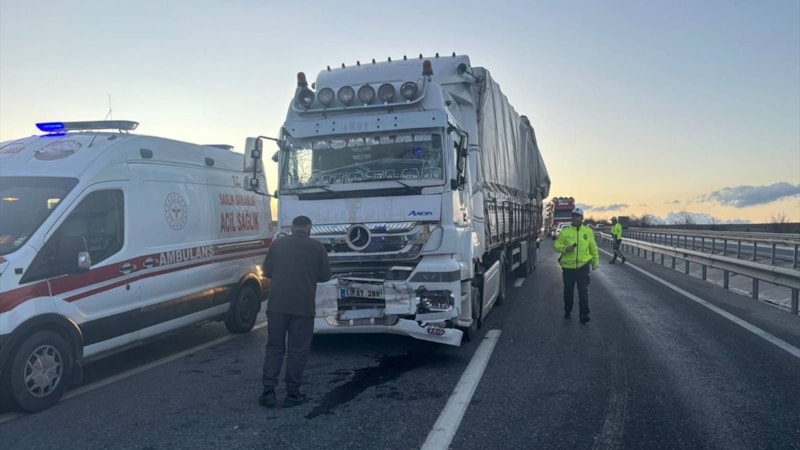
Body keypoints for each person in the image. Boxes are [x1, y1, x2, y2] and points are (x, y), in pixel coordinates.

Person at [259, 215, 331, 408]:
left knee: (274, 347)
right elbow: (325, 276)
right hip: (303, 307)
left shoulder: (278, 244)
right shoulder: (317, 247)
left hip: (276, 306)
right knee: (298, 350)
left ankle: (268, 392)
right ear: (309, 228)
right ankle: (292, 394)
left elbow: (266, 271)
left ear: (292, 228)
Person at [554, 207, 599, 324]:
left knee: (583, 292)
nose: (575, 218)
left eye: (577, 216)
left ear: (582, 218)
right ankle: (567, 311)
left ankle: (584, 314)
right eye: (573, 215)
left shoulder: (588, 232)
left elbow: (593, 248)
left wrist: (595, 263)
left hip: (583, 267)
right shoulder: (565, 232)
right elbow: (556, 245)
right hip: (568, 269)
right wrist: (565, 249)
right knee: (568, 292)